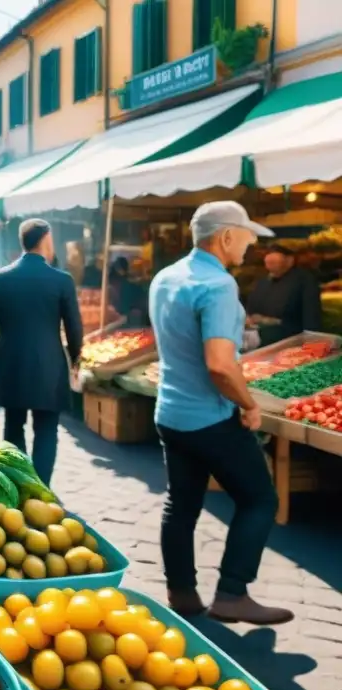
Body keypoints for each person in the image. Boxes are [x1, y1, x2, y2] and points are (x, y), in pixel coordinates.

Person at [149, 201, 291, 625]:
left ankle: (183, 593)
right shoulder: (219, 285)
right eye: (247, 236)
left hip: (170, 412)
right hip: (209, 417)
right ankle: (232, 594)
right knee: (260, 499)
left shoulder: (166, 277)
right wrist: (249, 406)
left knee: (182, 504)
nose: (250, 245)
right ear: (226, 236)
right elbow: (219, 365)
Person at [0, 219, 83, 487]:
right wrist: (76, 358)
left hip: (10, 364)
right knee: (46, 429)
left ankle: (17, 484)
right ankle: (40, 488)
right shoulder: (61, 280)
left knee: (13, 425)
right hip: (49, 365)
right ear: (46, 238)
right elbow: (74, 327)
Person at [246, 244, 322, 347]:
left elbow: (311, 317)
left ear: (290, 260)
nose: (269, 260)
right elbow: (251, 308)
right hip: (257, 335)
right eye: (268, 257)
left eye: (274, 257)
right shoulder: (263, 281)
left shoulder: (304, 280)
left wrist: (311, 343)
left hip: (289, 338)